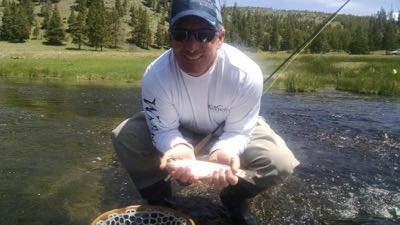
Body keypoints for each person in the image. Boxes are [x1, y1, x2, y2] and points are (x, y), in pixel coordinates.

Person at [111, 0, 300, 224]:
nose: (191, 46)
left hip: (229, 129)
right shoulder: (155, 75)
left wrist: (226, 151)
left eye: (204, 35)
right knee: (125, 135)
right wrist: (177, 147)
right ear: (170, 38)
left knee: (280, 161)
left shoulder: (246, 73)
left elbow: (239, 131)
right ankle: (159, 201)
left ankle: (233, 195)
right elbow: (163, 129)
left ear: (220, 37)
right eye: (181, 34)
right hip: (180, 128)